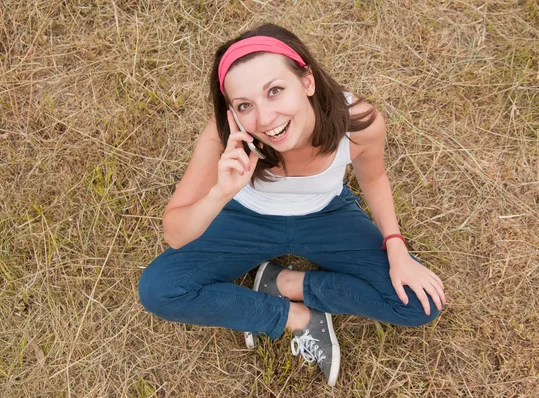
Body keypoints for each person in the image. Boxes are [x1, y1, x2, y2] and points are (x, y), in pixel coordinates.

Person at [138, 23, 445, 387]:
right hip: (245, 217)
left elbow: (374, 179)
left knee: (418, 303)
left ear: (308, 81)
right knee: (159, 289)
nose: (265, 119)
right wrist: (221, 192)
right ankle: (295, 317)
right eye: (245, 105)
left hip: (326, 215)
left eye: (275, 91)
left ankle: (285, 282)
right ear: (232, 112)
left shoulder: (357, 122)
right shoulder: (224, 134)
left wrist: (396, 248)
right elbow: (175, 234)